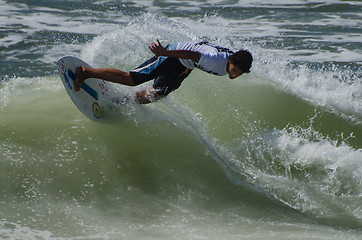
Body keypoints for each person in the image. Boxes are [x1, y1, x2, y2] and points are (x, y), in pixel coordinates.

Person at [74, 40, 253, 104]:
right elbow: (192, 54)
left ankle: (120, 103)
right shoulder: (215, 60)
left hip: (184, 66)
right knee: (131, 79)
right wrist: (164, 53)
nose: (235, 75)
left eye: (239, 73)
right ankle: (86, 72)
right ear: (230, 61)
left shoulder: (234, 60)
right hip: (174, 56)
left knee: (155, 94)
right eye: (234, 70)